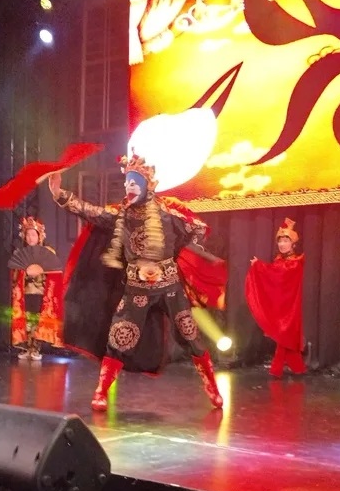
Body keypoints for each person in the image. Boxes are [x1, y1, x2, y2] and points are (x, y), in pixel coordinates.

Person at [48, 154, 226, 411]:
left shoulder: (168, 214)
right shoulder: (121, 215)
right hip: (137, 288)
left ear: (147, 185)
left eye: (134, 183)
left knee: (191, 336)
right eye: (126, 183)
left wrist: (183, 251)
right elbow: (90, 211)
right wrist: (59, 194)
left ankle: (212, 388)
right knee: (120, 337)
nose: (128, 187)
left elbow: (197, 229)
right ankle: (101, 391)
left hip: (170, 288)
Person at [245, 217, 306, 376]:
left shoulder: (295, 263)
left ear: (293, 244)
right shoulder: (280, 260)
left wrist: (259, 266)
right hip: (281, 304)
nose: (282, 244)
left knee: (284, 334)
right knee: (284, 335)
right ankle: (297, 368)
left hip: (290, 306)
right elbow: (273, 274)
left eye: (286, 241)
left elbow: (278, 274)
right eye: (280, 241)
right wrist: (259, 267)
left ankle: (277, 368)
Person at [8, 216, 63, 360]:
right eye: (28, 235)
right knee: (27, 320)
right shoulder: (20, 253)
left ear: (39, 236)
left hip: (40, 292)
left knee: (37, 320)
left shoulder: (47, 251)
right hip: (25, 292)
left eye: (33, 234)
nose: (30, 237)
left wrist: (39, 271)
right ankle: (27, 347)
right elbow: (14, 276)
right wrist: (22, 272)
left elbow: (54, 272)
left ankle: (36, 348)